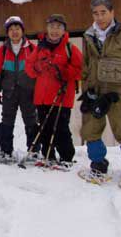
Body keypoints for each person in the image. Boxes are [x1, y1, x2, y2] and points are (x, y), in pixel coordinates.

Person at [79, 0, 121, 186]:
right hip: (95, 91)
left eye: (103, 12)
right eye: (95, 13)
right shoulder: (88, 35)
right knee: (90, 130)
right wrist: (86, 88)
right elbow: (87, 64)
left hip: (118, 92)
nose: (99, 17)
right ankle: (98, 165)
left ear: (112, 12)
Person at [25, 14, 82, 170]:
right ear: (47, 29)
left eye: (58, 27)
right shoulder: (40, 48)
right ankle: (48, 155)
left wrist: (63, 72)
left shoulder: (70, 48)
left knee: (61, 128)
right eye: (51, 27)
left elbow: (79, 70)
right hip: (42, 96)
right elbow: (29, 68)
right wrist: (38, 67)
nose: (54, 31)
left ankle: (66, 157)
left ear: (64, 30)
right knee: (44, 127)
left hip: (61, 96)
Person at [0, 16, 38, 164]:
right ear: (7, 33)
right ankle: (6, 151)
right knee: (7, 121)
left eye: (17, 29)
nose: (14, 32)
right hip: (9, 91)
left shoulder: (32, 48)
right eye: (11, 29)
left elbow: (38, 70)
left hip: (28, 90)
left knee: (31, 120)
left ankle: (34, 151)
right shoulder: (3, 50)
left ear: (23, 30)